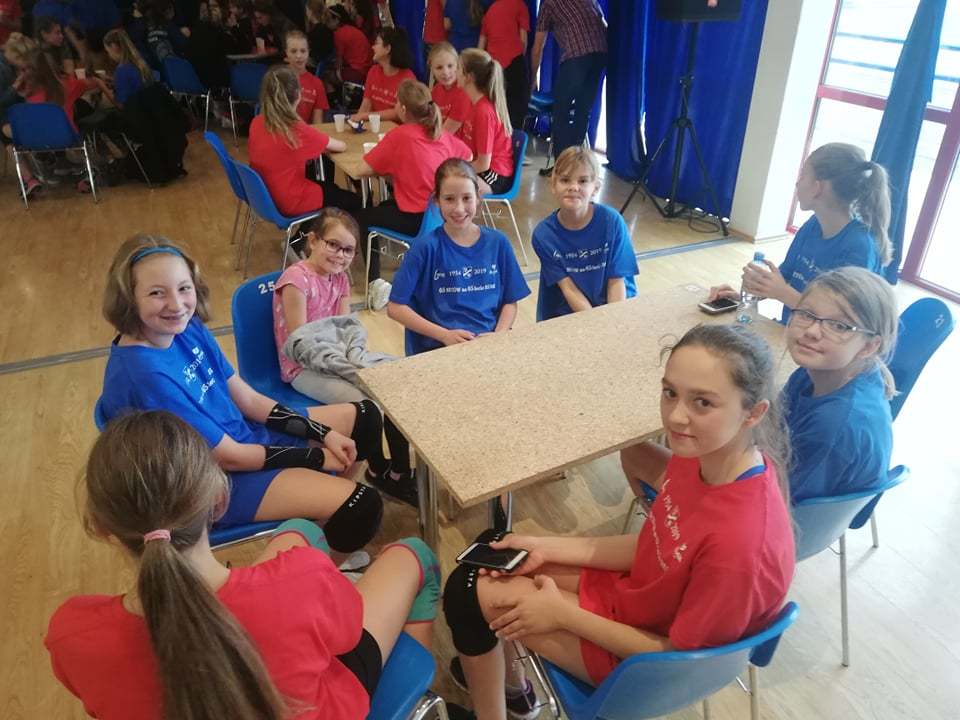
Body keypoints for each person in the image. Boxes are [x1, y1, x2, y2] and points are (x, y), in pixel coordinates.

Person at [445, 324, 795, 720]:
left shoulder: (740, 544)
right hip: (635, 600)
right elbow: (655, 546)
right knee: (494, 548)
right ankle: (512, 691)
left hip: (642, 665)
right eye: (670, 393)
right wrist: (544, 545)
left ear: (754, 413)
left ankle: (507, 696)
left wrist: (563, 614)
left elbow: (678, 658)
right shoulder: (704, 456)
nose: (676, 416)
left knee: (467, 589)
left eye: (703, 403)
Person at [45, 409, 441, 720]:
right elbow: (347, 637)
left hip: (290, 603)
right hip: (325, 700)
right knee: (415, 554)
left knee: (300, 529)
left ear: (101, 528)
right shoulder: (304, 577)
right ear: (219, 501)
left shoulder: (71, 634)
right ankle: (418, 692)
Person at [98, 235, 385, 556]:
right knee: (362, 505)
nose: (176, 305)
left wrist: (323, 434)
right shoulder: (145, 374)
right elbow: (230, 457)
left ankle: (316, 527)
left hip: (241, 440)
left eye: (183, 288)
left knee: (367, 417)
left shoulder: (186, 327)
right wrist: (316, 457)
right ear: (128, 298)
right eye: (156, 293)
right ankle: (314, 561)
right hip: (209, 483)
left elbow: (247, 399)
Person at [272, 208, 419, 506]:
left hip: (337, 360)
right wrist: (350, 370)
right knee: (368, 405)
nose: (340, 255)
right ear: (313, 240)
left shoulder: (341, 278)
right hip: (303, 368)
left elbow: (348, 328)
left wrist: (355, 359)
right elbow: (301, 343)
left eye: (348, 250)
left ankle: (399, 474)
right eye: (333, 245)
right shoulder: (296, 280)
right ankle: (377, 469)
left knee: (395, 383)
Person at [709, 143, 892, 322]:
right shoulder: (813, 225)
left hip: (824, 341)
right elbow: (785, 275)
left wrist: (782, 292)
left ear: (817, 188)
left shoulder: (860, 247)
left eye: (803, 176)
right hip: (796, 330)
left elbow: (839, 320)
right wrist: (746, 295)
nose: (797, 183)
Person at [387, 158, 530, 356]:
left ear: (478, 198)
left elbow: (510, 301)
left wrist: (499, 334)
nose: (459, 209)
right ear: (436, 200)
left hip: (489, 346)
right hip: (439, 349)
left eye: (466, 198)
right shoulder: (424, 248)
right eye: (449, 199)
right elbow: (395, 307)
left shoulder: (498, 243)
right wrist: (444, 335)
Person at [781, 266, 897, 502]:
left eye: (839, 326)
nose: (812, 331)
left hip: (793, 513)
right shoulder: (815, 371)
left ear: (869, 346)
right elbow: (773, 424)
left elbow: (783, 502)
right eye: (807, 314)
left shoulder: (835, 425)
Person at [356, 79, 472, 309]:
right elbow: (467, 157)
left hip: (416, 219)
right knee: (385, 206)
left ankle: (374, 284)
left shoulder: (400, 135)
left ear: (402, 108)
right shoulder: (439, 133)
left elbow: (362, 170)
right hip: (440, 215)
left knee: (364, 218)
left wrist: (394, 167)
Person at [532, 147, 638, 321]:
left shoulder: (612, 222)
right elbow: (568, 288)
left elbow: (617, 280)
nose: (573, 187)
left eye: (583, 181)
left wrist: (613, 323)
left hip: (617, 305)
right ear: (553, 185)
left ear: (595, 188)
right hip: (571, 311)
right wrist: (595, 324)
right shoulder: (544, 235)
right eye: (565, 180)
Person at [248, 64, 360, 217]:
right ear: (298, 95)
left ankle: (310, 228)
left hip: (263, 196)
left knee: (331, 188)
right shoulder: (296, 129)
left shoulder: (256, 122)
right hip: (291, 200)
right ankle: (313, 229)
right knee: (354, 201)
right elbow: (341, 146)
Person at [529, 0, 606, 173]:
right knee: (582, 111)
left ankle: (562, 168)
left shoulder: (548, 4)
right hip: (600, 52)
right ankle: (576, 166)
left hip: (577, 55)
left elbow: (538, 47)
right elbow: (601, 21)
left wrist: (532, 80)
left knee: (560, 112)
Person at [458, 48, 513, 195]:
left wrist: (455, 170)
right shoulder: (473, 103)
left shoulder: (484, 111)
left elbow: (483, 164)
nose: (454, 73)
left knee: (448, 183)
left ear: (469, 77)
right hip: (480, 167)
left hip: (494, 174)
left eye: (458, 68)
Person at [478, 0, 528, 130]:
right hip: (514, 62)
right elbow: (523, 41)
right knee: (516, 112)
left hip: (494, 67)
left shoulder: (490, 11)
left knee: (495, 110)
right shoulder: (519, 5)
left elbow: (480, 48)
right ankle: (515, 139)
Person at [350, 25, 415, 122]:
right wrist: (356, 121)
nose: (373, 47)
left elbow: (398, 112)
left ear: (387, 49)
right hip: (374, 127)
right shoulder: (373, 71)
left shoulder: (408, 78)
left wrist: (365, 116)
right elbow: (366, 104)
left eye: (377, 43)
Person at [284, 28, 328, 123]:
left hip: (305, 131)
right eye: (293, 51)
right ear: (286, 53)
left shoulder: (317, 84)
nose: (299, 56)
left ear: (308, 52)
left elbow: (317, 123)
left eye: (303, 51)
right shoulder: (276, 78)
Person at [429, 41, 470, 135]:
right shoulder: (436, 90)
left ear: (458, 65)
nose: (445, 72)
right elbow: (430, 121)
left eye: (450, 66)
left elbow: (446, 133)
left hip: (454, 141)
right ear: (432, 69)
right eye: (439, 67)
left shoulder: (463, 92)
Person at [103, 28, 153, 106]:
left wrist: (101, 86)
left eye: (108, 51)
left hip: (137, 110)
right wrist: (115, 81)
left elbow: (122, 105)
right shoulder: (141, 63)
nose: (109, 55)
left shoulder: (121, 71)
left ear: (114, 46)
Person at [327, 3, 371, 85]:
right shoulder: (350, 28)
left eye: (328, 20)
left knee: (327, 76)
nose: (326, 24)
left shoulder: (338, 34)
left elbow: (339, 62)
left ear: (337, 20)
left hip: (358, 72)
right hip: (367, 67)